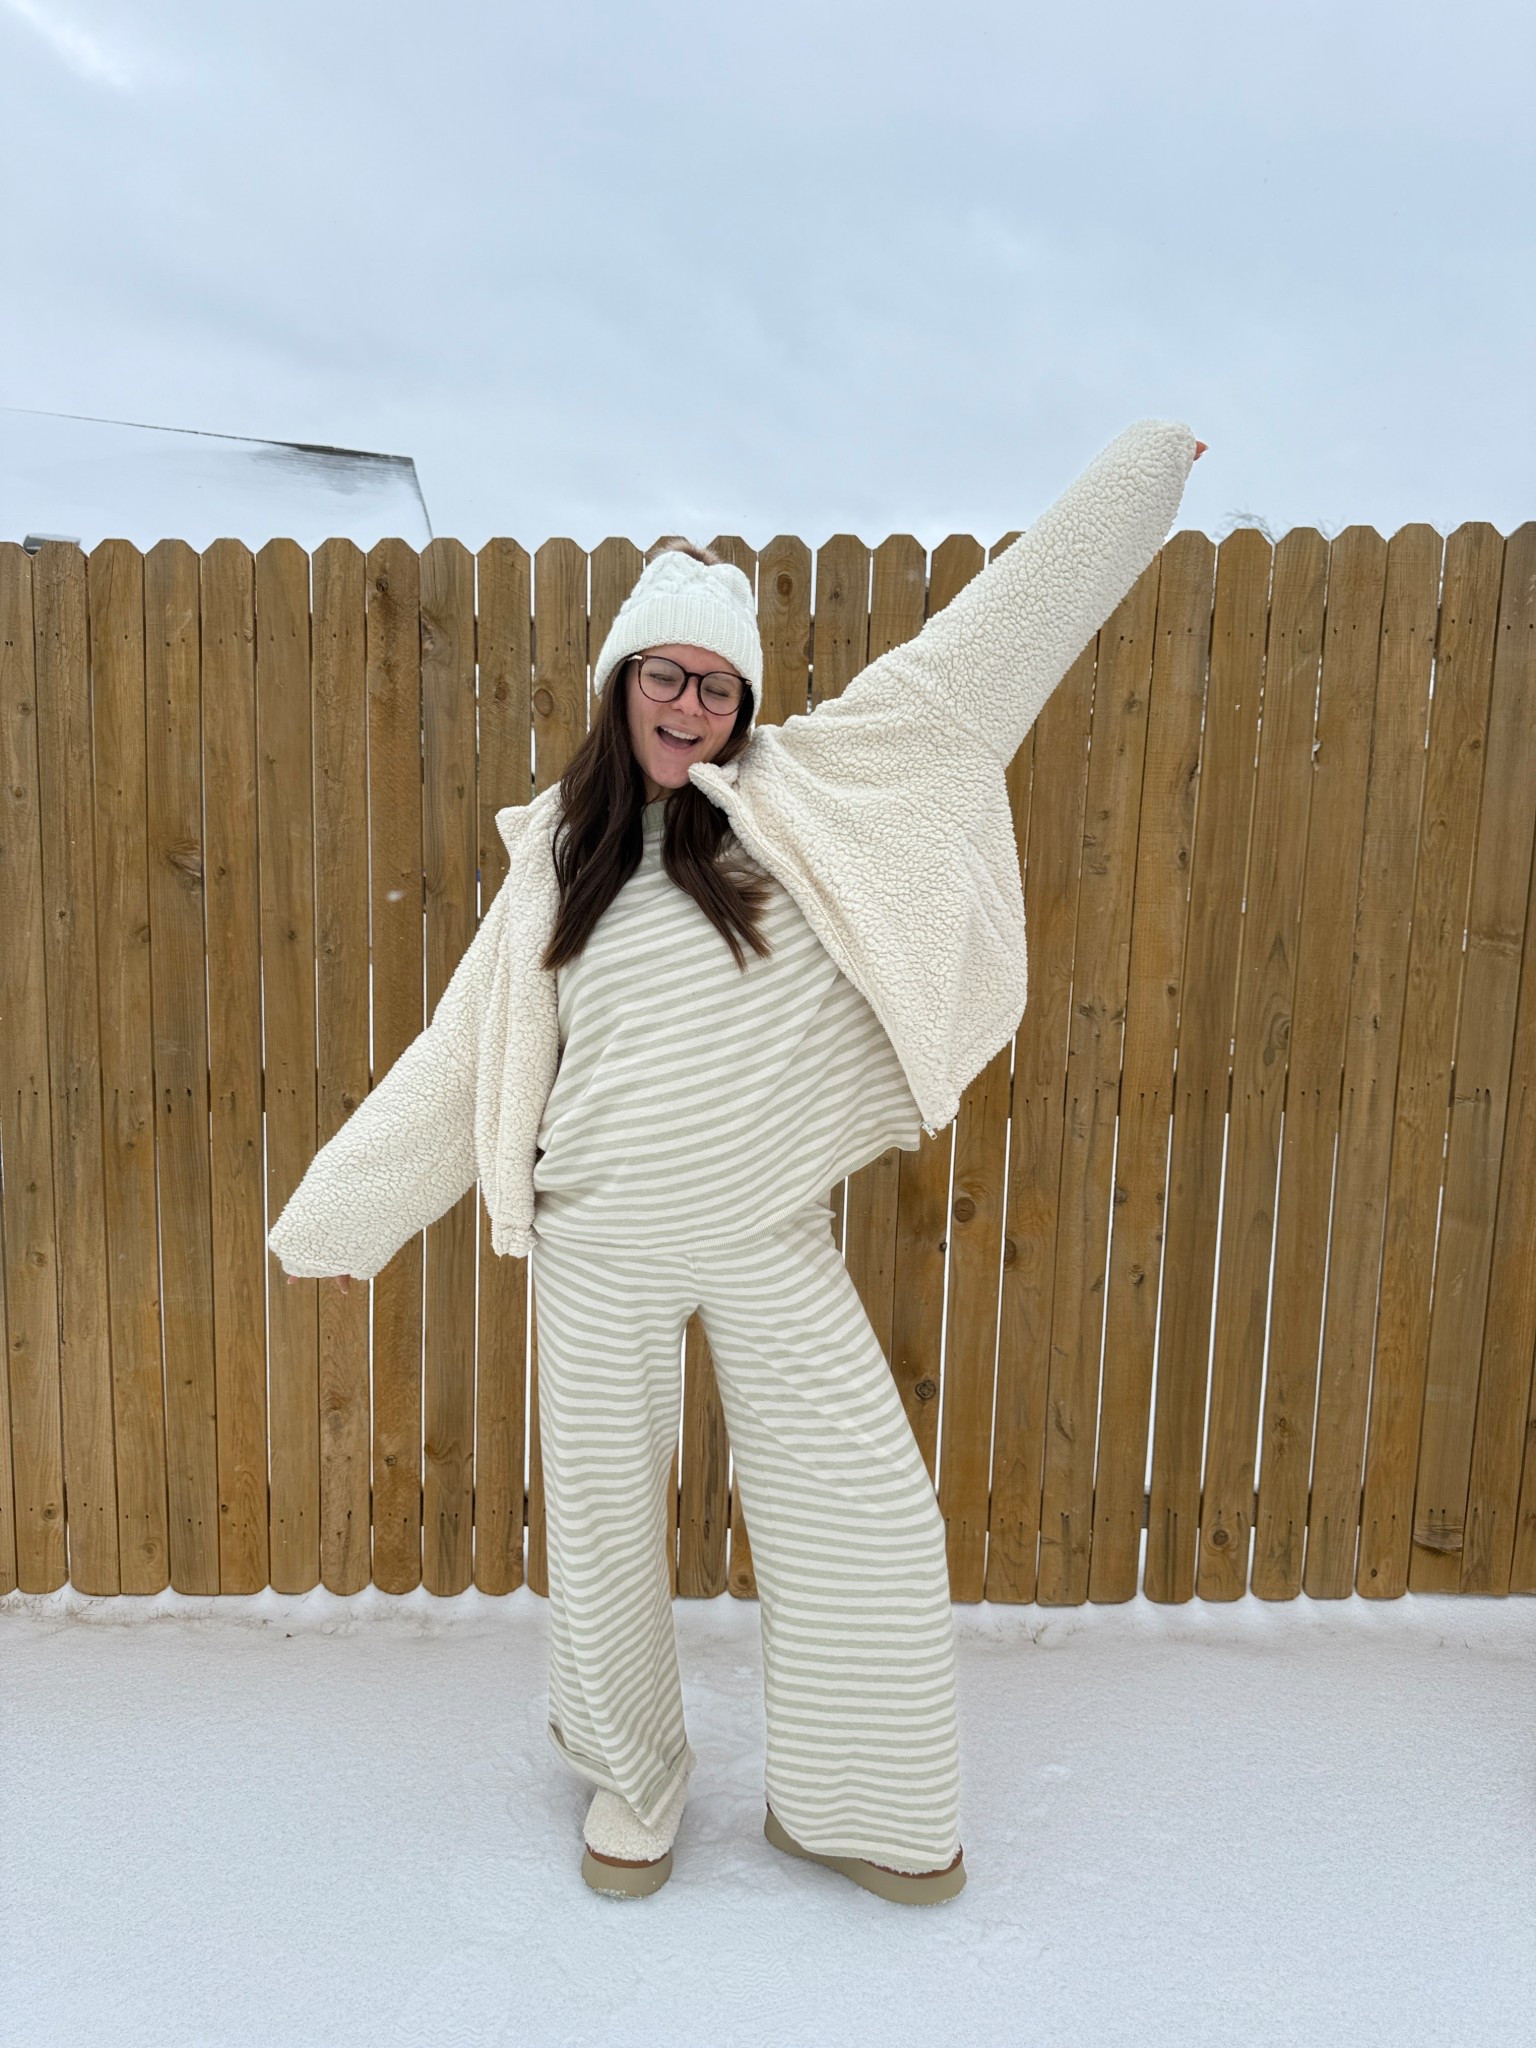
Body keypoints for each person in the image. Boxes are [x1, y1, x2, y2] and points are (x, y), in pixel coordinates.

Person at [272, 418, 1207, 1905]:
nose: (690, 704)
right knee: (599, 1531)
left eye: (717, 683)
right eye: (666, 675)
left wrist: (1147, 473)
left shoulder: (813, 796)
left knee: (869, 1514)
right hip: (596, 1245)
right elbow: (458, 1066)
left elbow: (1005, 633)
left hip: (770, 1232)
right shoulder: (557, 865)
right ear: (620, 685)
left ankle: (861, 1803)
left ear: (746, 702)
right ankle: (635, 1781)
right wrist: (335, 1227)